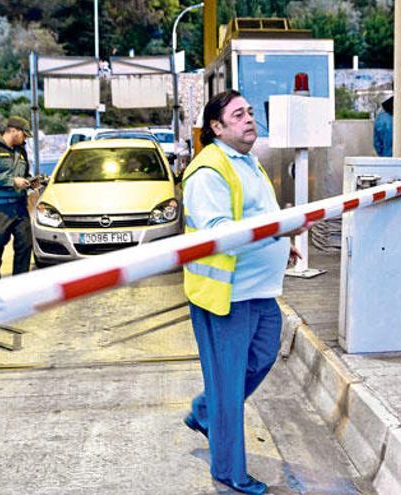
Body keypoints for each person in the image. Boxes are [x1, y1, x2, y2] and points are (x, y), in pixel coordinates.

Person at [181, 90, 304, 495]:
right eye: (238, 114)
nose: (250, 119)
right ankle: (228, 471)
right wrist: (280, 232)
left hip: (260, 289)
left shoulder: (248, 163)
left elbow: (261, 217)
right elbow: (220, 233)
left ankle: (205, 409)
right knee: (230, 385)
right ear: (216, 127)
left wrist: (284, 244)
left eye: (251, 112)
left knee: (264, 356)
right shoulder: (207, 172)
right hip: (225, 297)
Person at [0, 116, 34, 281]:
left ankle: (19, 282)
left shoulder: (21, 151)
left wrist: (31, 182)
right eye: (23, 134)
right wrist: (13, 181)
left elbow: (24, 175)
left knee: (25, 245)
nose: (25, 138)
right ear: (13, 131)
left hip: (19, 206)